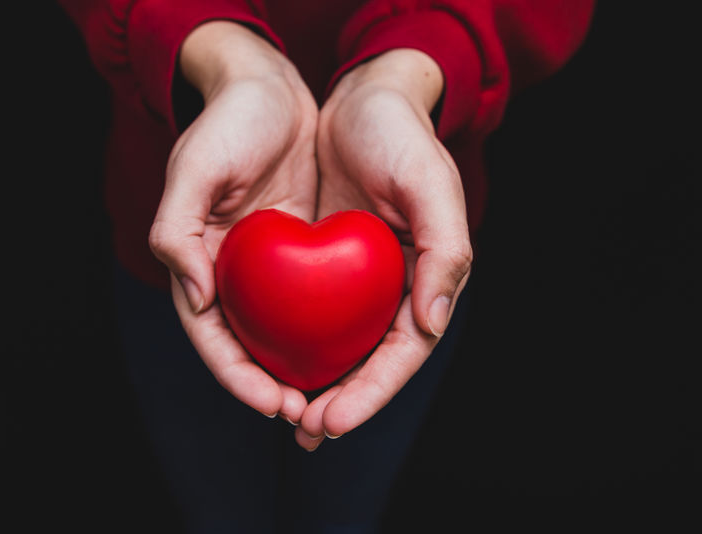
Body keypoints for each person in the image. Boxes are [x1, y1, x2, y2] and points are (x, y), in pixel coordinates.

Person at [58, 1, 595, 531]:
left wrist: (407, 71)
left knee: (345, 509)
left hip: (406, 256)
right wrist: (219, 53)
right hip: (194, 246)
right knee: (216, 508)